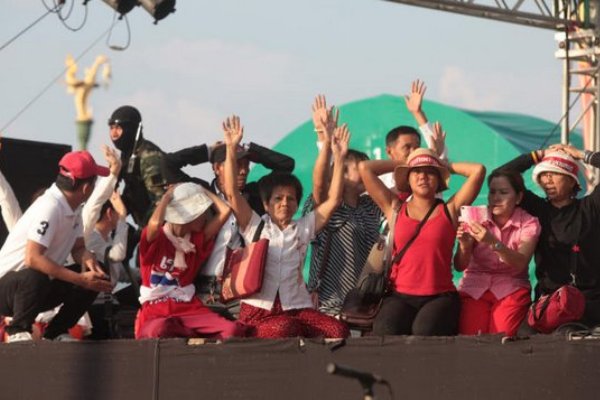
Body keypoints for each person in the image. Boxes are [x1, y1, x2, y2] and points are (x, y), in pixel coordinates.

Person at [223, 115, 349, 338]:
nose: (284, 204)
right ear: (265, 204)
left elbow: (334, 201)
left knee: (337, 330)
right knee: (284, 329)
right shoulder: (255, 226)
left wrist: (339, 158)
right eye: (278, 199)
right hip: (260, 311)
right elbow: (232, 192)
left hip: (298, 308)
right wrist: (231, 150)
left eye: (290, 199)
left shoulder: (304, 227)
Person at [359, 138, 486, 336]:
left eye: (429, 172)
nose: (422, 176)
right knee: (385, 331)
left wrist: (440, 163)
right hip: (400, 296)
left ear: (438, 180)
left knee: (423, 333)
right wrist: (408, 161)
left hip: (440, 297)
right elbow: (365, 168)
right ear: (407, 179)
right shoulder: (395, 208)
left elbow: (478, 170)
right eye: (416, 172)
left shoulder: (449, 210)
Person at [0, 151, 113, 342]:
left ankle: (55, 333)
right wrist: (80, 279)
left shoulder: (73, 207)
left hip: (36, 290)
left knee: (98, 275)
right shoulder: (50, 207)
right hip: (8, 289)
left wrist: (88, 258)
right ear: (86, 188)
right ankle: (17, 330)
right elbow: (32, 258)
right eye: (94, 183)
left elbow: (78, 248)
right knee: (36, 274)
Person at [497, 145, 600, 331]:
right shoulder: (538, 209)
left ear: (571, 181)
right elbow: (501, 175)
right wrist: (537, 155)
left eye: (554, 173)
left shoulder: (590, 207)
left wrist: (581, 155)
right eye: (543, 175)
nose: (547, 180)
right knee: (520, 340)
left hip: (587, 303)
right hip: (548, 303)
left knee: (565, 336)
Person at [304, 95, 384, 316]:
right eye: (361, 168)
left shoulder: (371, 206)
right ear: (343, 175)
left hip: (365, 304)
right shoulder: (330, 209)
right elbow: (319, 183)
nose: (368, 172)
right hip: (330, 304)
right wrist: (326, 142)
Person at [135, 182, 245, 339]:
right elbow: (155, 223)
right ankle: (189, 335)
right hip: (155, 311)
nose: (206, 217)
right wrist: (167, 197)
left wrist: (203, 191)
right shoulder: (156, 238)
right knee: (159, 330)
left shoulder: (196, 241)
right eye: (201, 212)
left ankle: (188, 333)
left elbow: (225, 210)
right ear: (189, 217)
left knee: (231, 331)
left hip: (188, 309)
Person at [454, 169, 541, 336]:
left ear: (519, 197)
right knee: (471, 338)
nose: (496, 198)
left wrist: (492, 242)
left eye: (503, 192)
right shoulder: (475, 216)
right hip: (475, 287)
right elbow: (459, 266)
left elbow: (521, 262)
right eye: (492, 192)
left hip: (511, 287)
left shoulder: (529, 222)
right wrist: (464, 246)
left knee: (502, 336)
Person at [380, 79, 447, 190]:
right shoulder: (380, 180)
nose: (413, 152)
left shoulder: (429, 177)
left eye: (416, 147)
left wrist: (417, 113)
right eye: (407, 147)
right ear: (389, 151)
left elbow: (438, 149)